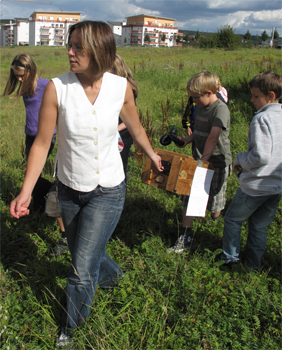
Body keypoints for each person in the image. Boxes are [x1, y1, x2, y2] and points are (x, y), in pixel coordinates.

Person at [10, 21, 163, 346]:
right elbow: (40, 144)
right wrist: (25, 193)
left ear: (99, 51)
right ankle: (111, 274)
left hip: (108, 189)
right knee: (82, 251)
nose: (69, 52)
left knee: (80, 268)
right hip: (68, 188)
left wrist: (151, 154)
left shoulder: (119, 87)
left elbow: (134, 127)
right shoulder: (58, 88)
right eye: (70, 44)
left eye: (78, 47)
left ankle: (72, 327)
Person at [219, 71, 282, 270]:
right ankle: (253, 265)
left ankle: (231, 259)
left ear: (271, 95)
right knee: (259, 226)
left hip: (256, 185)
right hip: (276, 186)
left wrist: (240, 159)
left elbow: (261, 156)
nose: (252, 99)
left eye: (256, 96)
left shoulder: (262, 119)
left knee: (232, 219)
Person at [1, 54, 65, 237]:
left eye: (22, 75)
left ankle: (56, 193)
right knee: (30, 174)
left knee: (33, 176)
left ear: (31, 70)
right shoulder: (25, 87)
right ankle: (38, 205)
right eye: (16, 76)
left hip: (45, 138)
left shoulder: (46, 86)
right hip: (30, 136)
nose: (19, 79)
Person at [168, 71, 232, 253]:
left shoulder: (221, 109)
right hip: (199, 160)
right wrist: (186, 141)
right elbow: (199, 131)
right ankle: (186, 235)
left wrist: (203, 162)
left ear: (210, 93)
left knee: (215, 201)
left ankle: (215, 222)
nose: (194, 101)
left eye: (196, 97)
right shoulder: (201, 107)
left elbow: (213, 137)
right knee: (189, 196)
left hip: (217, 161)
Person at [111, 54, 139, 178]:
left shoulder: (127, 89)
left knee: (120, 169)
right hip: (110, 135)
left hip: (122, 136)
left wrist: (114, 130)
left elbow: (131, 119)